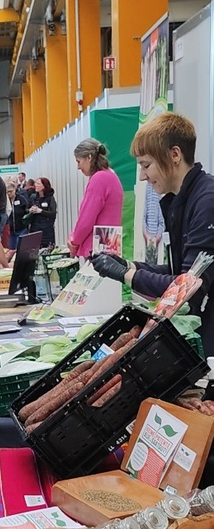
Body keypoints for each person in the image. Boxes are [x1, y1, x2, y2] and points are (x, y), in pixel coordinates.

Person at [92, 111, 214, 356]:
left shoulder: (207, 202)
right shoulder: (180, 201)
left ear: (175, 155)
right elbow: (178, 270)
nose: (142, 176)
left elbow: (189, 287)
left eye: (146, 165)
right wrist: (130, 266)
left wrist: (128, 275)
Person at [68, 138, 123, 259]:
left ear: (89, 157)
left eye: (78, 161)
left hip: (97, 250)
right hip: (109, 246)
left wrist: (74, 241)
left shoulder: (99, 179)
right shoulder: (110, 175)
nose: (78, 167)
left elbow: (86, 219)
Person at [27, 177, 57, 249]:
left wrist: (41, 211)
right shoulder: (33, 197)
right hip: (34, 229)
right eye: (35, 183)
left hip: (47, 231)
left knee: (47, 249)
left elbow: (53, 213)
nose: (35, 185)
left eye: (38, 183)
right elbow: (26, 209)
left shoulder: (50, 198)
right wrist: (30, 210)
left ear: (44, 186)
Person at [7, 180, 29, 250]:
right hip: (10, 230)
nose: (9, 193)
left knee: (21, 248)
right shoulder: (5, 201)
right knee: (11, 249)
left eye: (11, 191)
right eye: (7, 192)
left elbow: (27, 210)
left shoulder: (21, 199)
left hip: (21, 228)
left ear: (15, 190)